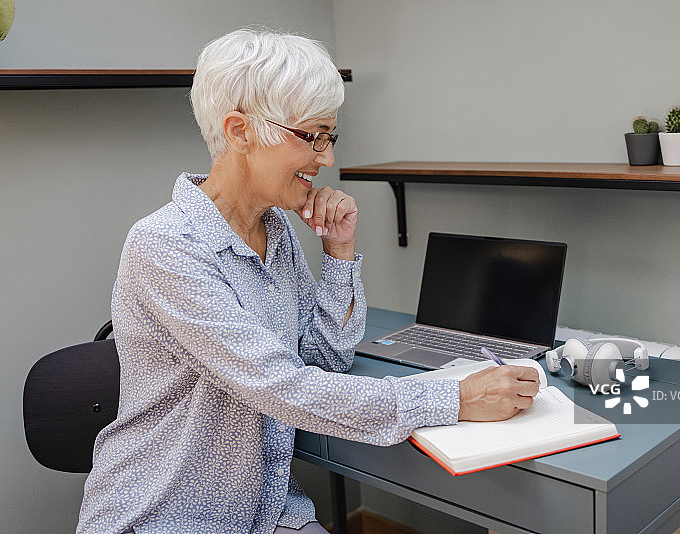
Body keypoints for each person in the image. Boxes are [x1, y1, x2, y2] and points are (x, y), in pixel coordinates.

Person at [76, 27, 540, 534]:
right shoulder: (165, 246)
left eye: (329, 136)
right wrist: (455, 398)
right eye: (313, 136)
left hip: (268, 509)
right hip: (166, 516)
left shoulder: (275, 231)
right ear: (239, 132)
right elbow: (283, 387)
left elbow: (325, 360)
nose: (327, 158)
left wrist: (338, 255)